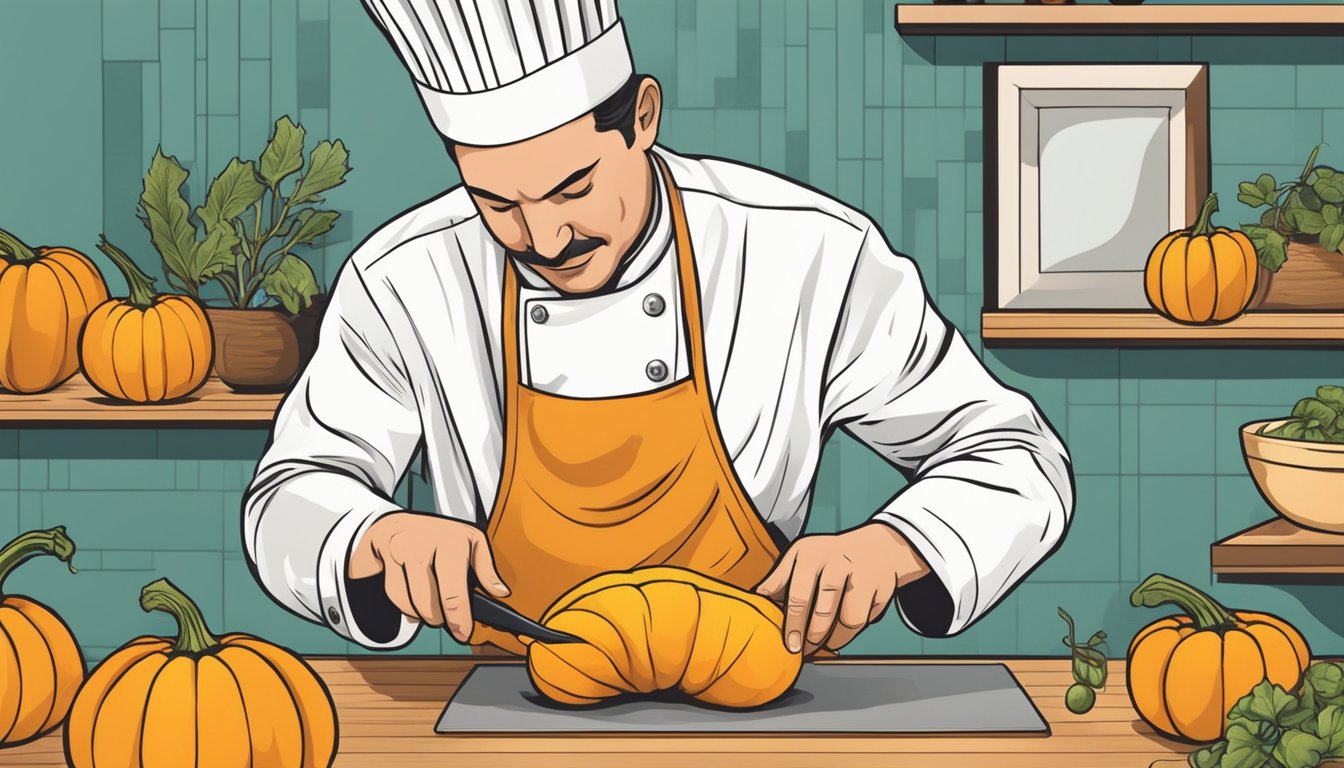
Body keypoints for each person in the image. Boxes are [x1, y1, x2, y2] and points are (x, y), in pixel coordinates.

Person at [242, 0, 1074, 659]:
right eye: (498, 203)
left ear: (642, 117)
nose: (545, 240)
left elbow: (1018, 457)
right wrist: (376, 535)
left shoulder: (804, 252)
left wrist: (890, 549)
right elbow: (285, 501)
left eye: (572, 188)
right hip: (504, 704)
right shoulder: (405, 280)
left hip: (758, 695)